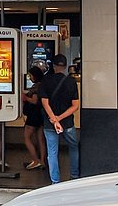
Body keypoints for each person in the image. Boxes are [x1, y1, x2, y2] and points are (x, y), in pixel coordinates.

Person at [39, 54, 80, 184]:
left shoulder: (46, 80)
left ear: (54, 66)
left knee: (52, 152)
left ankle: (55, 181)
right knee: (73, 147)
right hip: (67, 123)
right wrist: (60, 118)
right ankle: (74, 176)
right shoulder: (71, 81)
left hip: (50, 123)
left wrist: (54, 120)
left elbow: (45, 103)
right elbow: (75, 106)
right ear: (65, 66)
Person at [21, 66, 46, 170]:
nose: (30, 78)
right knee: (40, 139)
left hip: (33, 115)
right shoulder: (43, 85)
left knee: (27, 137)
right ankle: (42, 161)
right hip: (41, 114)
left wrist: (25, 98)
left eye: (30, 75)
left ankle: (35, 160)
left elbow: (34, 101)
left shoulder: (36, 87)